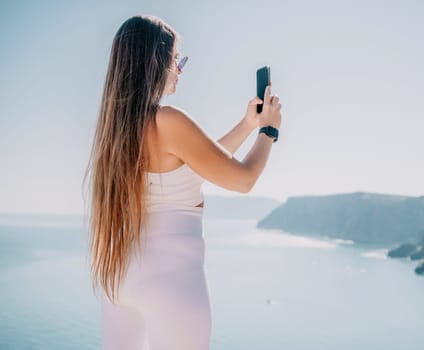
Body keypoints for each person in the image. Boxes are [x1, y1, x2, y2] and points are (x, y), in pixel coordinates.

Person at [83, 14, 282, 350]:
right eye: (176, 59)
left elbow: (195, 165)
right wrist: (269, 131)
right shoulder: (168, 120)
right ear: (155, 62)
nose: (180, 68)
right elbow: (243, 179)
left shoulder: (115, 134)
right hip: (171, 282)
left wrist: (247, 125)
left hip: (119, 278)